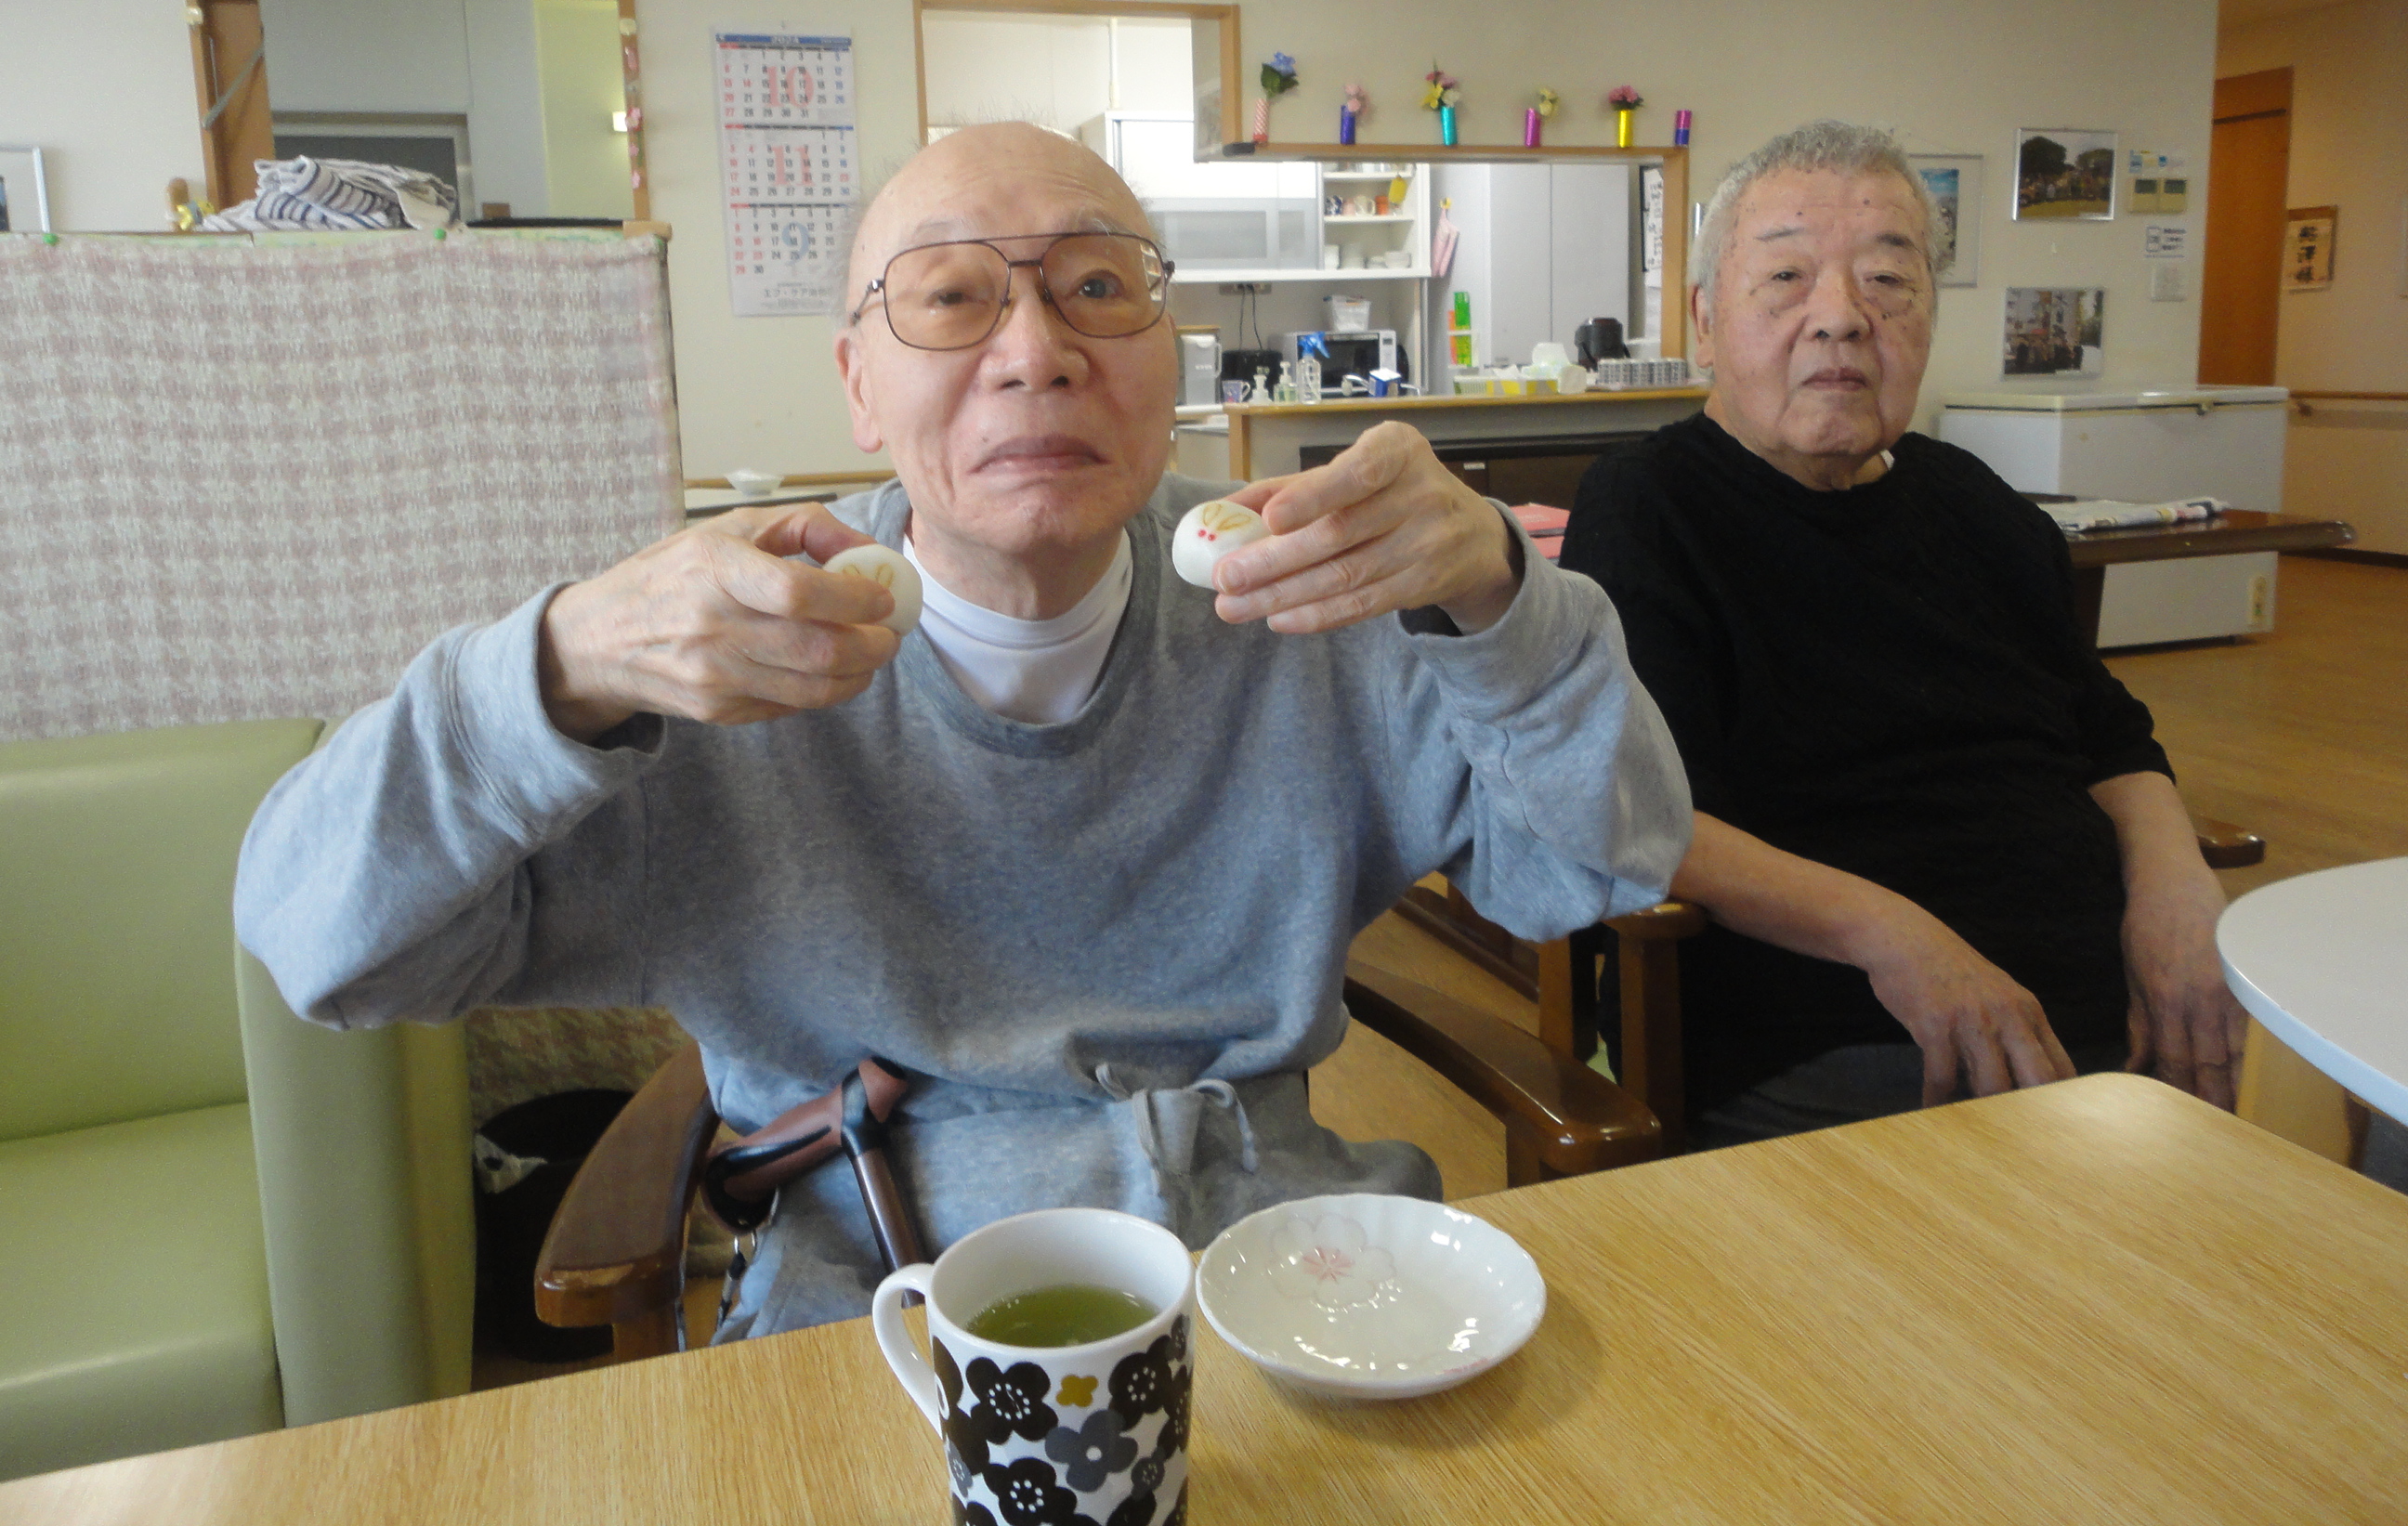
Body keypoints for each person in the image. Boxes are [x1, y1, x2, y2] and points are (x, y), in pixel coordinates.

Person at [237, 122, 1689, 1337]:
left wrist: (1503, 600)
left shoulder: (1312, 592)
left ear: (1172, 357)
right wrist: (554, 665)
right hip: (880, 1301)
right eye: (949, 297)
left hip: (1280, 1273)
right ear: (858, 384)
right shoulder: (718, 657)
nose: (1035, 352)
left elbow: (1596, 866)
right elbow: (321, 940)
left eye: (1098, 287)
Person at [1559, 120, 2241, 1148]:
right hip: (1844, 1030)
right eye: (1786, 278)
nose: (1842, 317)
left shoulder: (1972, 499)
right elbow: (1645, 813)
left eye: (1888, 280)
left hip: (2107, 998)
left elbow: (2108, 736)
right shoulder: (1649, 506)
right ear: (1705, 322)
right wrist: (1899, 941)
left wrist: (2175, 890)